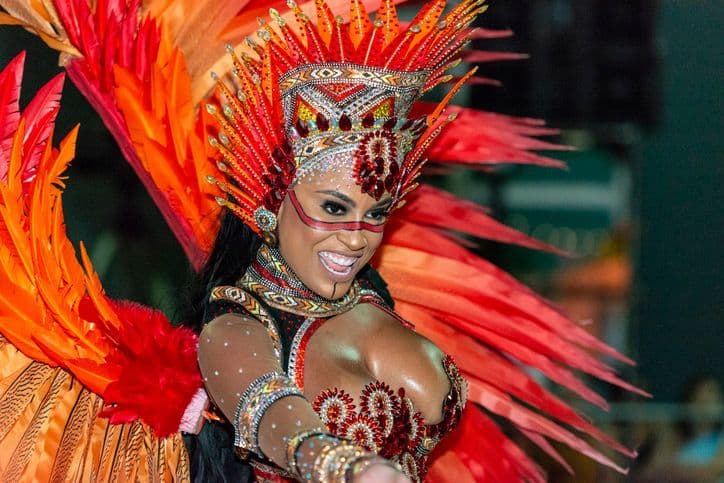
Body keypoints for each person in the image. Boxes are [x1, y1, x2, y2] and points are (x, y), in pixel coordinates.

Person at [0, 0, 639, 481]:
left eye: (374, 212)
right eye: (332, 206)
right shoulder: (238, 329)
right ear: (269, 203)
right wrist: (348, 468)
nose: (355, 236)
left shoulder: (375, 300)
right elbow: (279, 420)